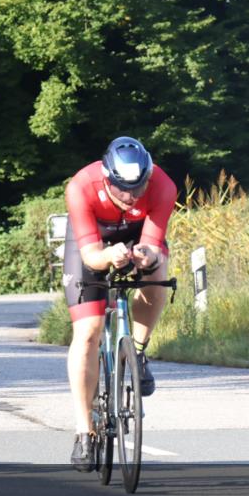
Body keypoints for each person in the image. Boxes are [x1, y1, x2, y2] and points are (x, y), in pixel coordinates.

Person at [62, 137, 177, 471]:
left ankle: (138, 351)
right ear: (107, 178)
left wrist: (147, 256)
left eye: (139, 187)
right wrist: (109, 256)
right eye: (124, 189)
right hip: (92, 242)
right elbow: (90, 256)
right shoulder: (81, 187)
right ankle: (84, 431)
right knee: (88, 331)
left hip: (138, 235)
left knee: (158, 275)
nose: (132, 196)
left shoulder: (162, 186)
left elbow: (154, 245)